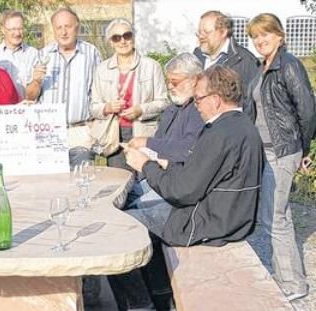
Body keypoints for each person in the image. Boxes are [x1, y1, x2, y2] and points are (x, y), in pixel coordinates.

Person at [124, 66, 263, 310]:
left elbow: (181, 191)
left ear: (216, 100)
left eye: (198, 99)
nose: (195, 105)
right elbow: (202, 176)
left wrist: (145, 165)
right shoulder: (243, 126)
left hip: (205, 222)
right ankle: (161, 295)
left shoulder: (220, 133)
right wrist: (163, 165)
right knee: (142, 213)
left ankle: (142, 304)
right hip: (228, 216)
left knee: (123, 228)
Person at [244, 13, 316, 302]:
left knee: (276, 218)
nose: (260, 40)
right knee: (275, 214)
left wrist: (304, 149)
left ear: (280, 35)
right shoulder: (262, 67)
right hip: (264, 150)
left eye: (266, 34)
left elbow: (308, 110)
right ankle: (283, 274)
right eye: (256, 36)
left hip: (283, 150)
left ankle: (295, 284)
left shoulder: (289, 65)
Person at [127, 52, 205, 208]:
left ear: (194, 80)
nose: (170, 86)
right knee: (121, 196)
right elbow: (161, 142)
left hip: (178, 186)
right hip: (158, 175)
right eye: (168, 81)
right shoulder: (173, 108)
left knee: (131, 213)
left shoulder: (199, 110)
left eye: (175, 82)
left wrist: (146, 142)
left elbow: (187, 149)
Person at [90, 18, 168, 172]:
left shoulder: (151, 66)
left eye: (127, 35)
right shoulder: (102, 69)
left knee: (145, 180)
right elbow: (93, 107)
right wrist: (107, 107)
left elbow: (164, 102)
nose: (122, 41)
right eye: (116, 37)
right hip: (114, 134)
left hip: (143, 131)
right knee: (118, 180)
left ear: (133, 37)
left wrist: (141, 109)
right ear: (110, 42)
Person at [32, 7, 102, 167]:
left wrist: (96, 125)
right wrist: (36, 81)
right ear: (54, 29)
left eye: (67, 26)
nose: (63, 32)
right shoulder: (43, 54)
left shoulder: (92, 53)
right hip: (48, 133)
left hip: (81, 132)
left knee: (82, 184)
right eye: (59, 27)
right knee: (51, 186)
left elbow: (100, 93)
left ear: (77, 27)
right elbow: (30, 96)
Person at [193, 10, 260, 107]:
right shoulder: (197, 56)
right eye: (199, 33)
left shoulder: (244, 61)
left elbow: (250, 105)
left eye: (206, 32)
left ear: (223, 32)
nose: (201, 36)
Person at [0, 9, 40, 99]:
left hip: (26, 110)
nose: (17, 33)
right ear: (3, 30)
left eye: (20, 28)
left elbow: (37, 89)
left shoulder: (33, 54)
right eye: (13, 29)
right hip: (0, 111)